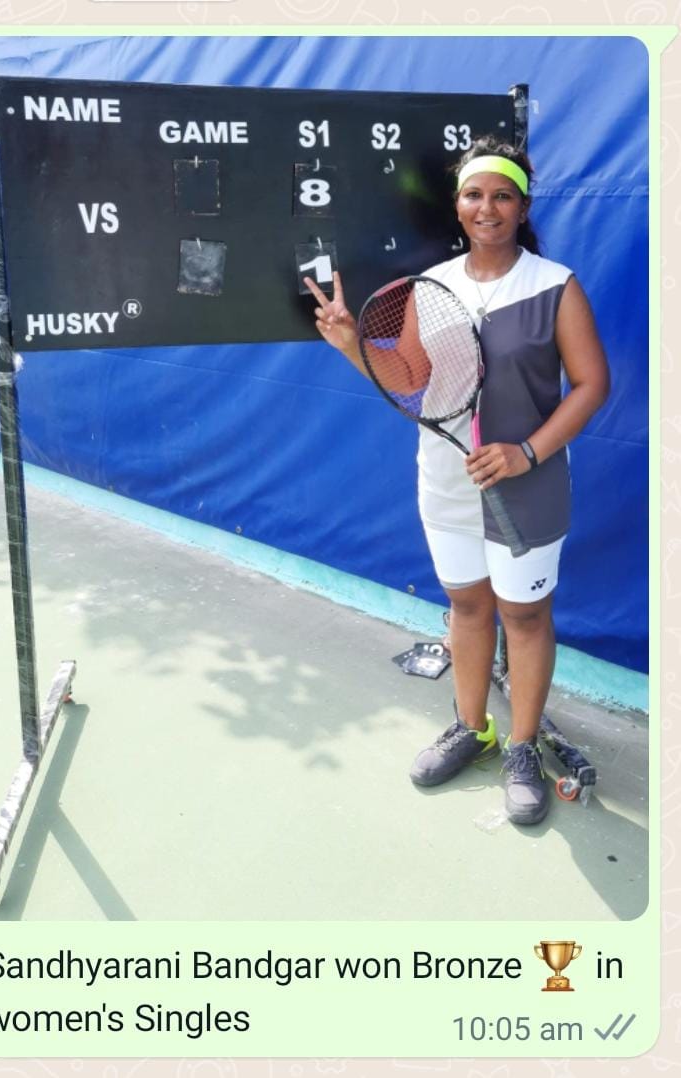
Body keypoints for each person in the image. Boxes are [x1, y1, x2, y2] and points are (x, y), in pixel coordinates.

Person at [304, 134, 610, 826]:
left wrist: (527, 452)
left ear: (522, 206)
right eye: (474, 194)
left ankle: (522, 748)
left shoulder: (556, 286)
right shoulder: (431, 286)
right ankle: (474, 730)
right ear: (458, 204)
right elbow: (412, 379)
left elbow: (592, 384)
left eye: (502, 195)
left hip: (528, 486)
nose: (487, 207)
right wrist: (353, 344)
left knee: (524, 617)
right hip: (445, 482)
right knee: (467, 609)